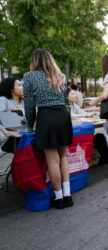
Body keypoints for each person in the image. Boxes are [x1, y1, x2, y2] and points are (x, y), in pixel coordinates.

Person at [23, 49, 73, 209]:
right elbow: (66, 100)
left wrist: (30, 125)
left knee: (53, 160)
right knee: (63, 156)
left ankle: (58, 198)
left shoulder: (29, 77)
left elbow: (29, 104)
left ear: (34, 61)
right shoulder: (60, 76)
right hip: (63, 116)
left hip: (46, 117)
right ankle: (68, 195)